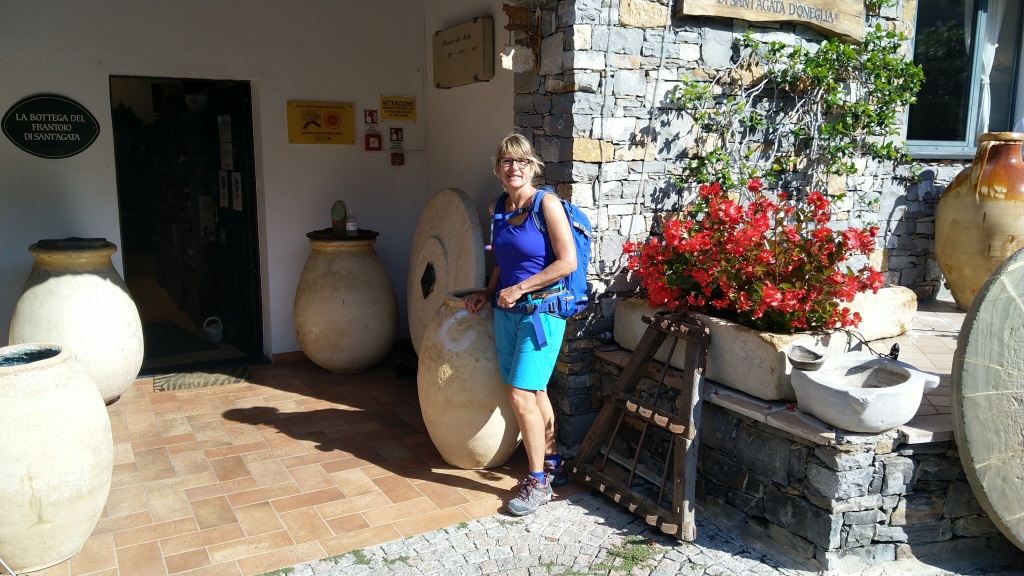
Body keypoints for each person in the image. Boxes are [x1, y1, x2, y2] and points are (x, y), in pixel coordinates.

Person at [463, 132, 576, 516]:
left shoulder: (546, 204)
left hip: (542, 313)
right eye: (507, 161)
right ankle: (553, 463)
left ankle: (537, 482)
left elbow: (567, 262)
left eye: (522, 161)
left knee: (519, 394)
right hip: (507, 313)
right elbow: (503, 260)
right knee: (535, 391)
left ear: (533, 167)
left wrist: (520, 289)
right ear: (498, 168)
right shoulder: (496, 207)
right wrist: (488, 290)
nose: (514, 167)